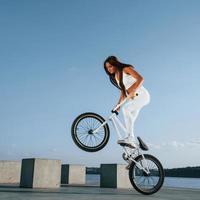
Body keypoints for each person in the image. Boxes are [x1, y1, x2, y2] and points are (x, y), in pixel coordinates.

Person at [103, 56, 150, 148]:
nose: (109, 69)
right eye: (107, 68)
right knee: (129, 122)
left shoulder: (125, 69)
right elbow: (123, 92)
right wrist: (118, 106)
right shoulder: (116, 77)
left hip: (142, 95)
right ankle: (134, 148)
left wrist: (132, 90)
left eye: (110, 66)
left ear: (115, 64)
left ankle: (130, 138)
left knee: (126, 109)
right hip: (135, 99)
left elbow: (140, 78)